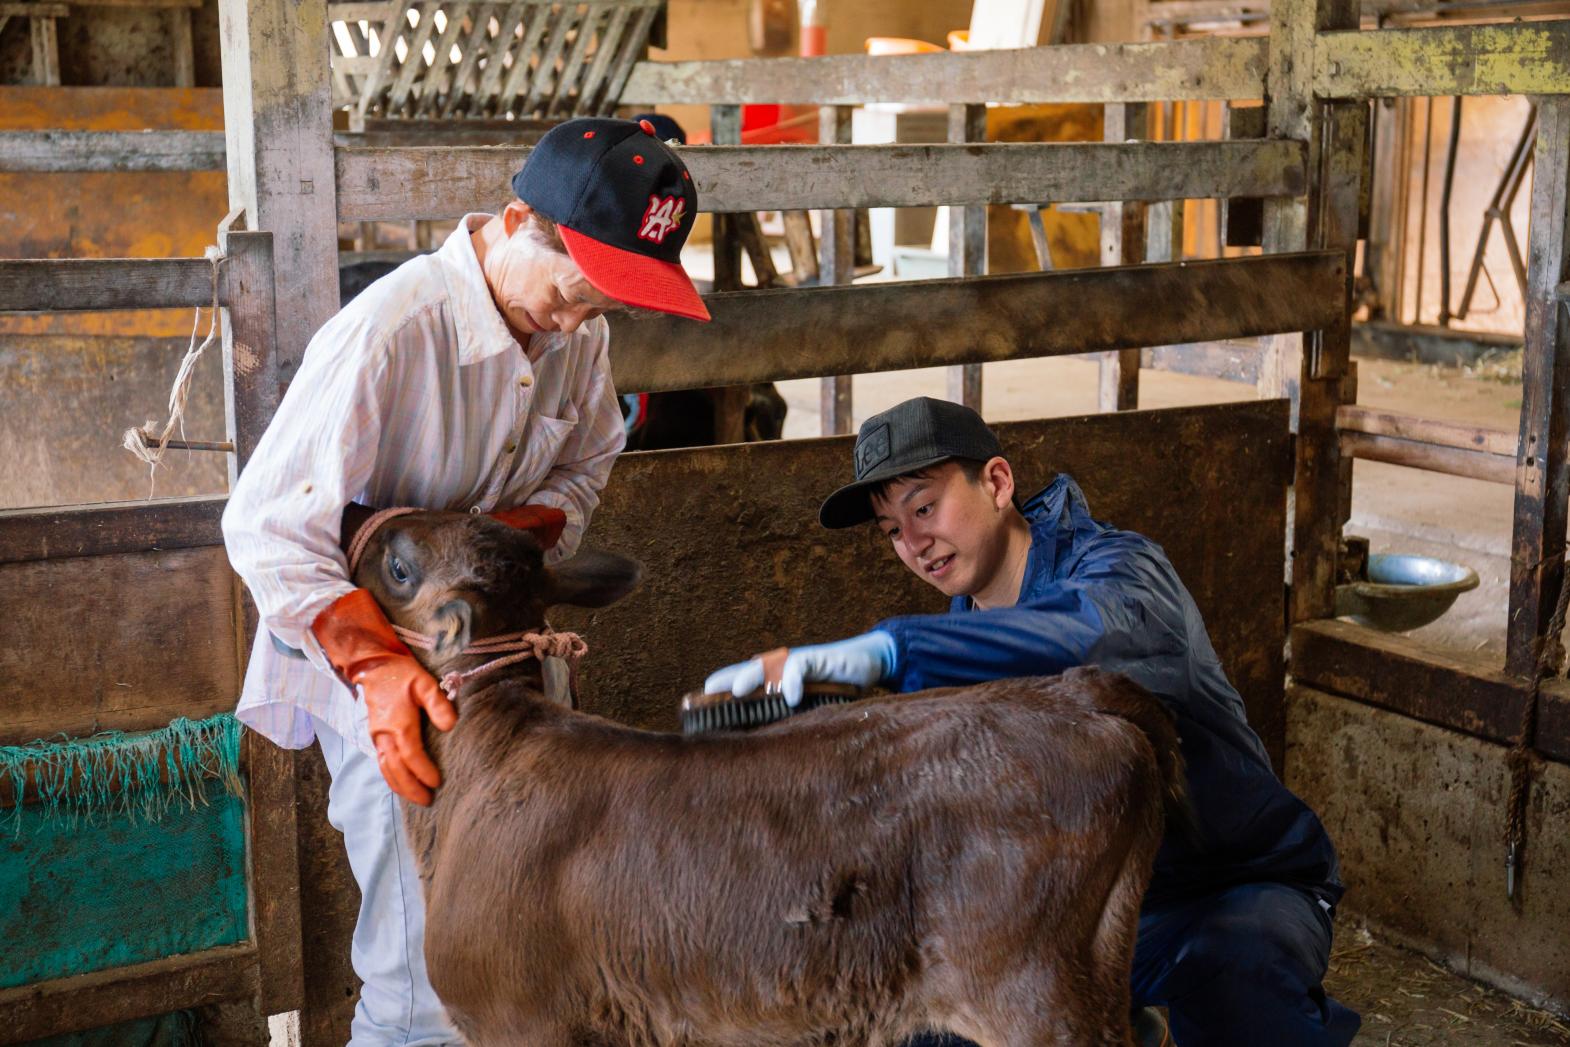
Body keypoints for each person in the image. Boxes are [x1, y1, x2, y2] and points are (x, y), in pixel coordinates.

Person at [224, 116, 708, 1047]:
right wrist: (377, 670)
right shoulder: (395, 329)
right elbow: (268, 524)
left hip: (496, 656)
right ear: (517, 217)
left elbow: (592, 458)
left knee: (519, 935)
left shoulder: (575, 335)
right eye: (575, 292)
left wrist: (505, 541)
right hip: (379, 660)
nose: (577, 323)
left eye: (604, 304)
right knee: (424, 963)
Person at [705, 396, 1362, 1047]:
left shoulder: (1119, 569)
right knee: (927, 1027)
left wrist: (891, 649)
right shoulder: (960, 636)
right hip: (1077, 914)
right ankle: (1129, 1021)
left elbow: (1096, 633)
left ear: (996, 481)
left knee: (1235, 968)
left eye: (925, 507)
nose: (913, 543)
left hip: (1221, 889)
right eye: (891, 530)